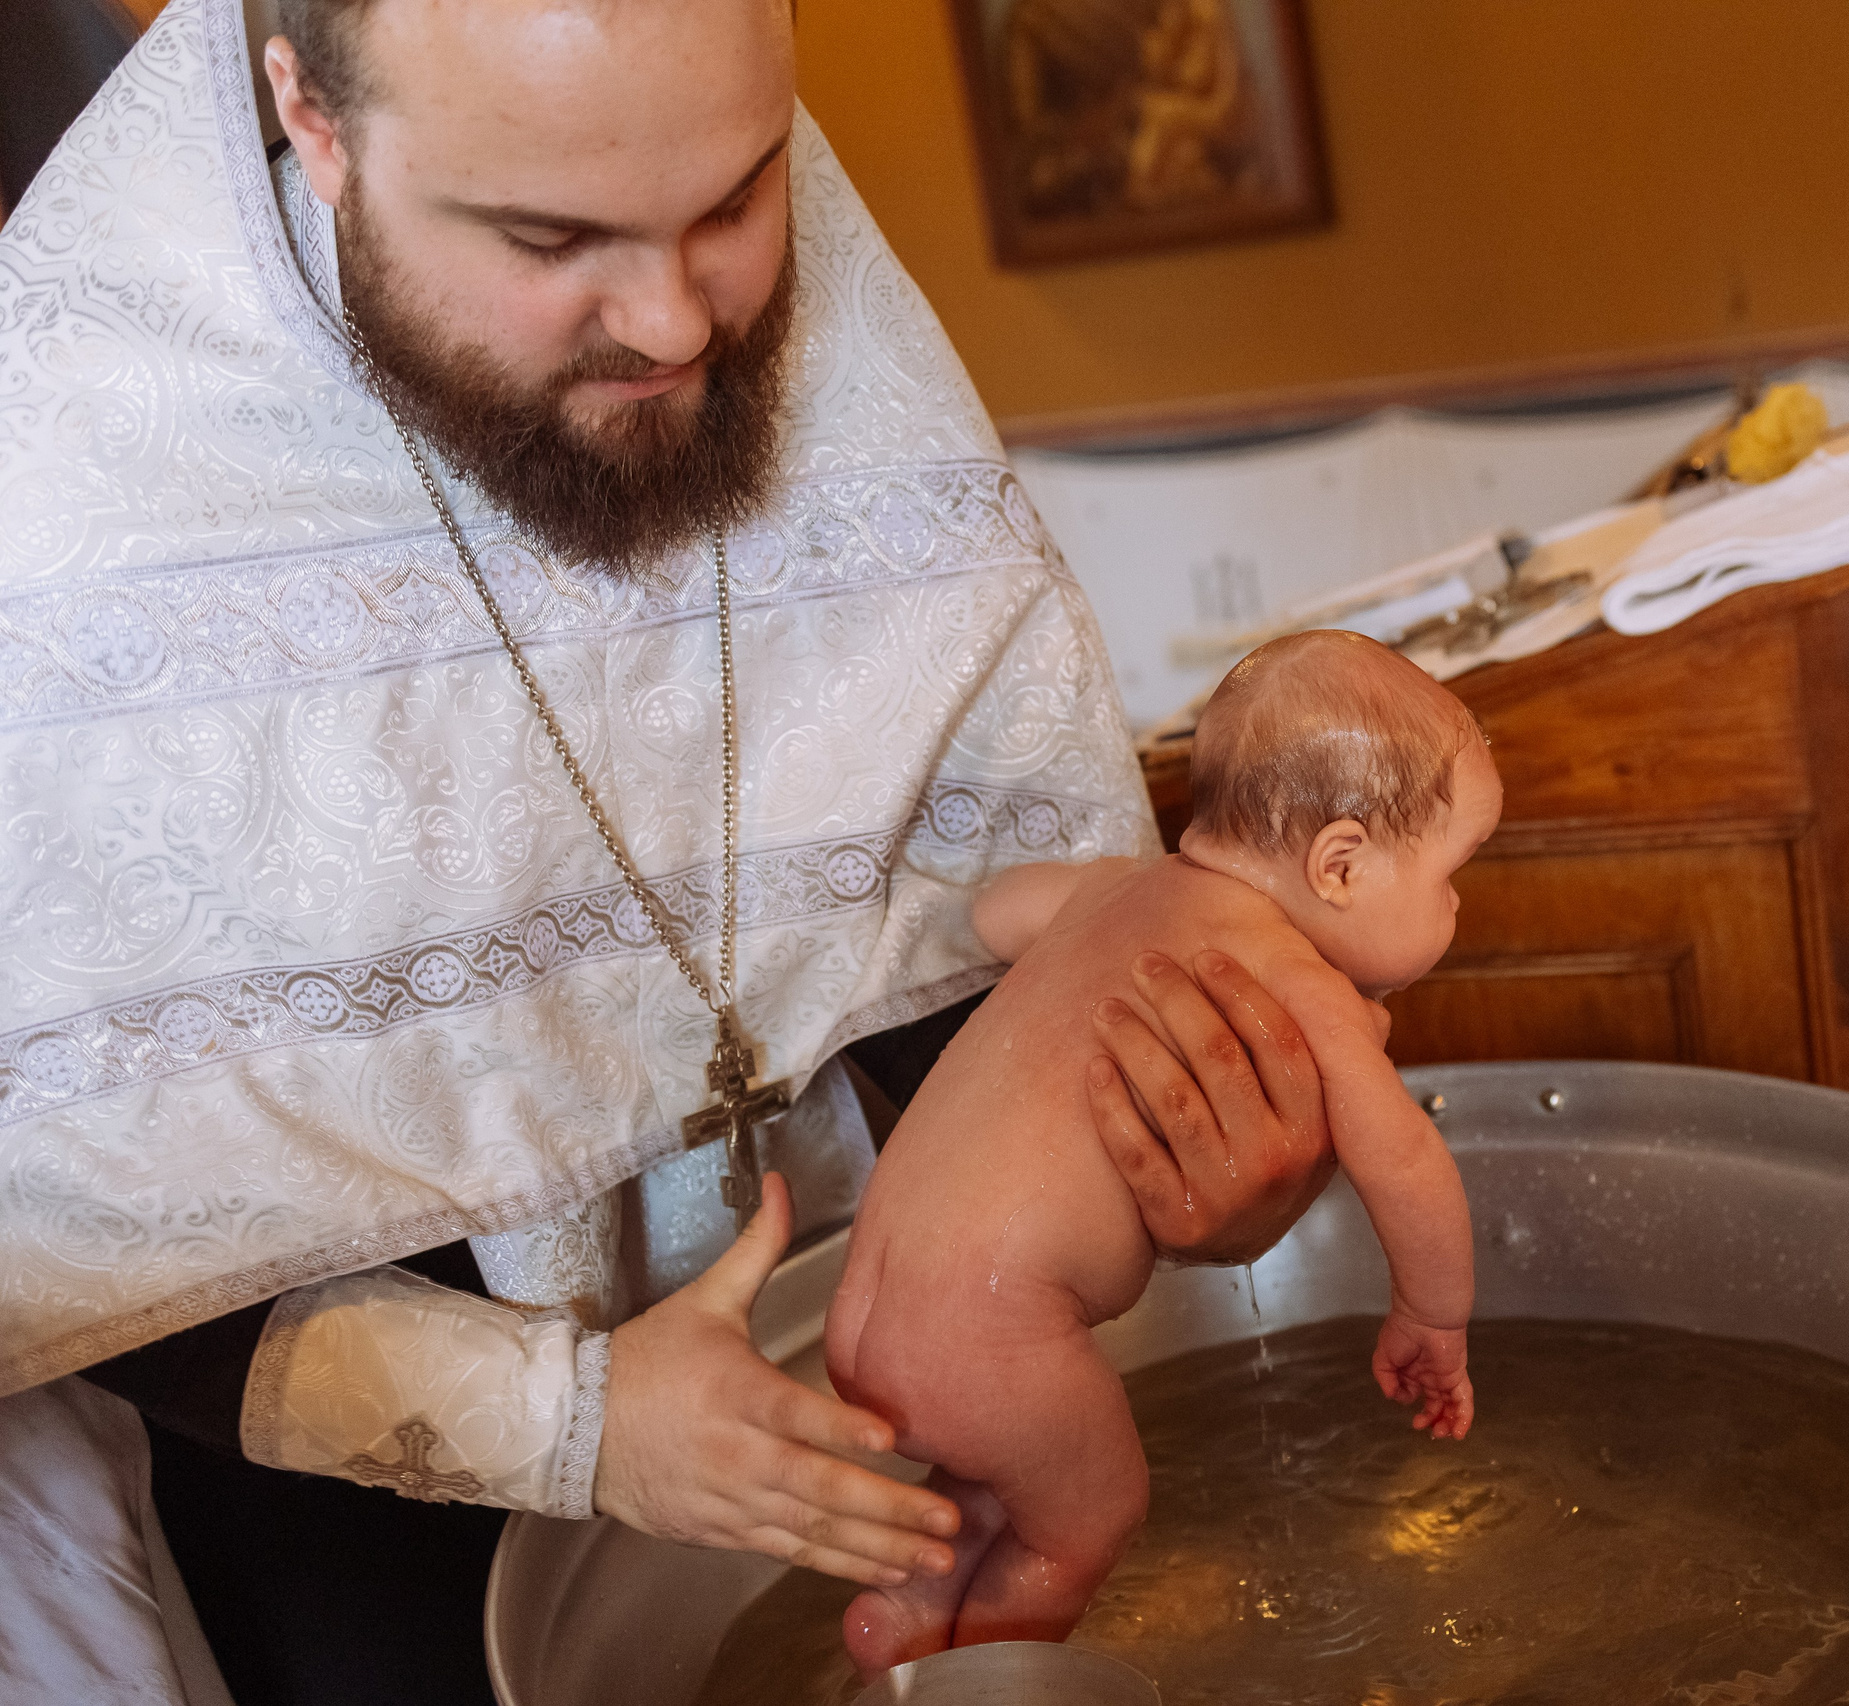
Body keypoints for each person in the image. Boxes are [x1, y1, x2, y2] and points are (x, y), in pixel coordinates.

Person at [0, 1, 1333, 1701]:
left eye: (735, 202)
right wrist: (572, 1427)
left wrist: (1179, 1151)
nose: (675, 322)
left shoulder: (826, 338)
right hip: (366, 1514)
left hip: (883, 1346)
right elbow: (72, 1207)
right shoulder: (67, 483)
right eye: (551, 241)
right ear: (312, 118)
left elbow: (938, 915)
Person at [826, 632, 1496, 1677]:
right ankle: (982, 1682)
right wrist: (1431, 1315)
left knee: (1013, 1479)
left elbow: (991, 915)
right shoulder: (1298, 978)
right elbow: (1406, 1162)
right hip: (992, 1333)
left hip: (867, 1308)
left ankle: (906, 1615)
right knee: (1088, 1519)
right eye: (1454, 871)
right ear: (1342, 863)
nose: (1458, 902)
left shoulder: (1105, 893)